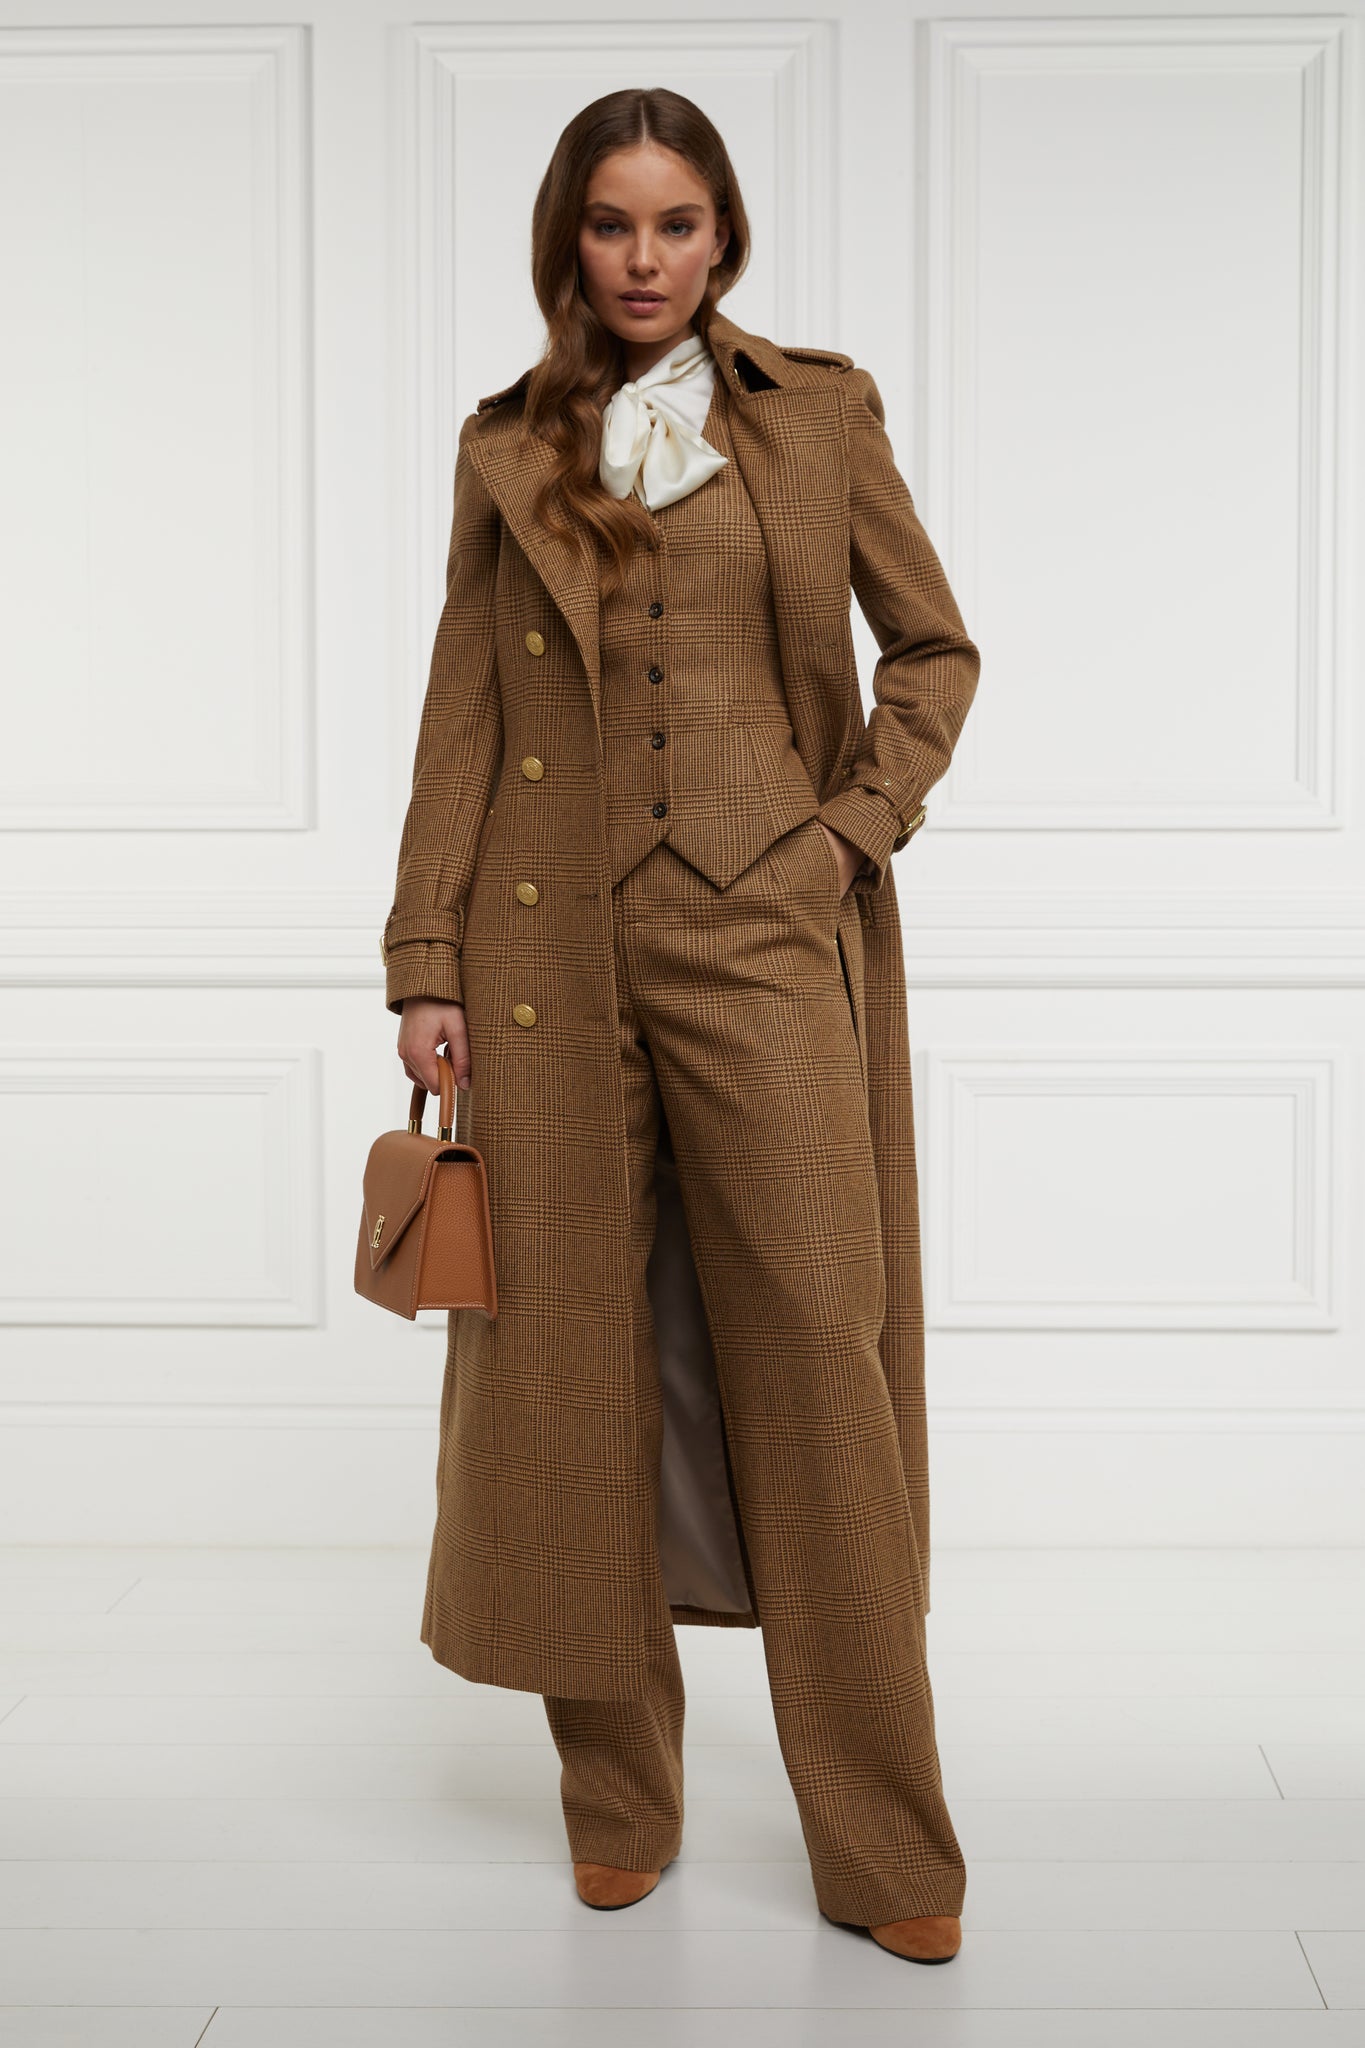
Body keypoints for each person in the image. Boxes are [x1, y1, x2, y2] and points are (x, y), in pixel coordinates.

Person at [383, 87, 981, 1965]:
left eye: (677, 223)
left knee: (816, 1347)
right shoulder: (507, 445)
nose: (643, 258)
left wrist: (846, 832)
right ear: (566, 238)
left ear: (723, 238)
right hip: (541, 946)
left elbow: (934, 649)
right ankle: (617, 1805)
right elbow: (462, 708)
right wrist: (424, 956)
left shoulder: (819, 417)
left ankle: (885, 1841)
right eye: (610, 223)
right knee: (571, 1369)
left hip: (759, 935)